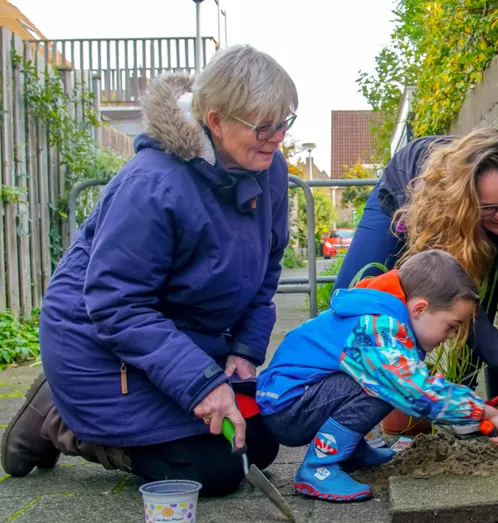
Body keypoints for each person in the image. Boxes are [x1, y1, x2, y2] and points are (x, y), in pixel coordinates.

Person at [1, 44, 296, 497]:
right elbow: (116, 304)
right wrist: (202, 385)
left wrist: (245, 348)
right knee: (213, 471)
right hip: (99, 345)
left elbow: (268, 264)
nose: (277, 137)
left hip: (173, 339)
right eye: (264, 126)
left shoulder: (268, 166)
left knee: (258, 442)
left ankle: (89, 412)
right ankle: (62, 420)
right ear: (215, 121)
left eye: (285, 122)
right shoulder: (152, 184)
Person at [333, 128, 498, 436]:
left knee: (475, 294)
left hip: (468, 218)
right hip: (410, 196)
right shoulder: (443, 203)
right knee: (352, 299)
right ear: (470, 198)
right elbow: (450, 288)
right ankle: (337, 420)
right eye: (489, 207)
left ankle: (462, 399)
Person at [256, 250, 498, 502]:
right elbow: (414, 390)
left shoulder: (385, 313)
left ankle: (349, 451)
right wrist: (484, 413)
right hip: (288, 408)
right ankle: (318, 468)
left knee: (382, 380)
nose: (452, 335)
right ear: (419, 309)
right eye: (451, 326)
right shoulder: (376, 328)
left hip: (297, 397)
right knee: (391, 384)